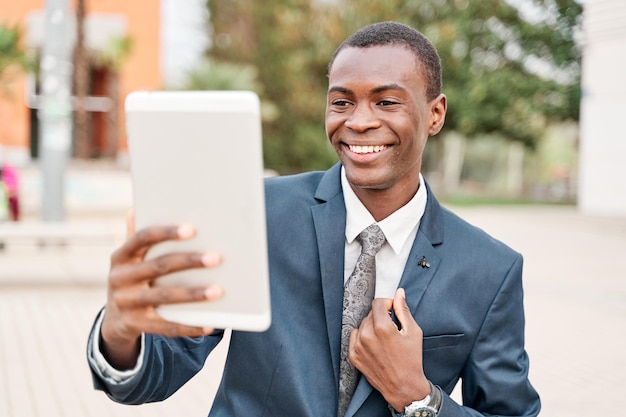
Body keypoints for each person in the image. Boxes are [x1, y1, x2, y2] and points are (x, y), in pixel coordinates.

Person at [87, 21, 540, 417]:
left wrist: (418, 398)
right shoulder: (258, 212)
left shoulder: (490, 270)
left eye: (386, 103)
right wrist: (122, 333)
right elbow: (161, 367)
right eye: (342, 102)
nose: (358, 122)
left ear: (435, 114)